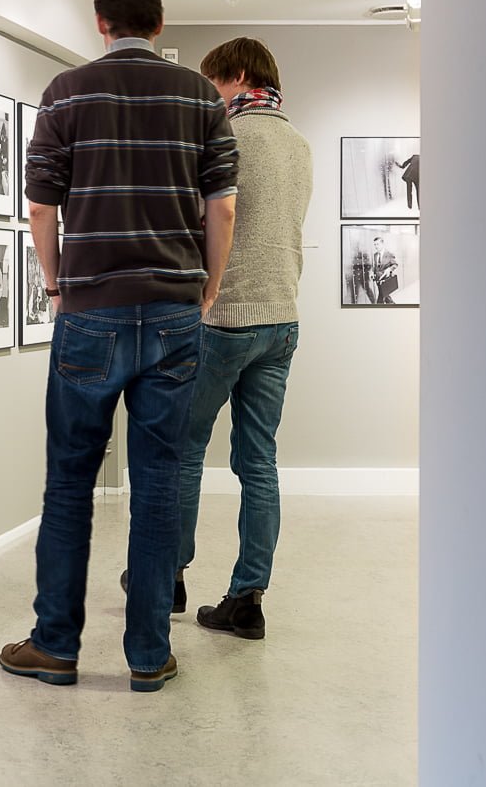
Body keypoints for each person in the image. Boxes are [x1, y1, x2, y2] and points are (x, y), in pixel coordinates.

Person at [0, 0, 238, 694]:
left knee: (70, 482)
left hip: (89, 310)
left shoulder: (66, 92)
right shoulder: (200, 97)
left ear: (100, 22)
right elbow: (221, 208)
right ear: (159, 24)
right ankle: (147, 653)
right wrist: (208, 287)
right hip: (172, 309)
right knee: (161, 483)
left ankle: (57, 646)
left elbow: (42, 208)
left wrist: (54, 284)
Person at [172, 37, 313, 642]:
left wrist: (202, 294)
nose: (209, 95)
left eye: (212, 83)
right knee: (258, 461)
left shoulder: (226, 137)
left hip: (226, 317)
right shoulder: (299, 143)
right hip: (282, 321)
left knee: (181, 448)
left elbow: (217, 217)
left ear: (236, 76)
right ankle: (248, 596)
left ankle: (166, 575)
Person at [371, 235, 400, 304]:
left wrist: (389, 269)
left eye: (377, 244)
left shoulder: (389, 254)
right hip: (378, 280)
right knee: (386, 296)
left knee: (381, 297)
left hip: (385, 280)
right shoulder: (375, 255)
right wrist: (372, 272)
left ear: (382, 244)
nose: (376, 246)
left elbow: (395, 264)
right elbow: (375, 266)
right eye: (374, 244)